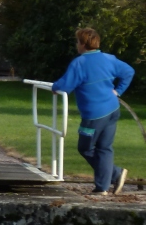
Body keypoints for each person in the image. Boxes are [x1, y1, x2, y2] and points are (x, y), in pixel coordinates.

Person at [52, 28, 135, 195]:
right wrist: (118, 91)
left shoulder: (79, 63)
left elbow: (63, 86)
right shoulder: (108, 58)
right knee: (104, 148)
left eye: (77, 42)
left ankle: (114, 174)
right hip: (112, 109)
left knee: (85, 148)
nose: (76, 45)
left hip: (94, 115)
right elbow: (128, 71)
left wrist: (54, 88)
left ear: (83, 44)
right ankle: (103, 186)